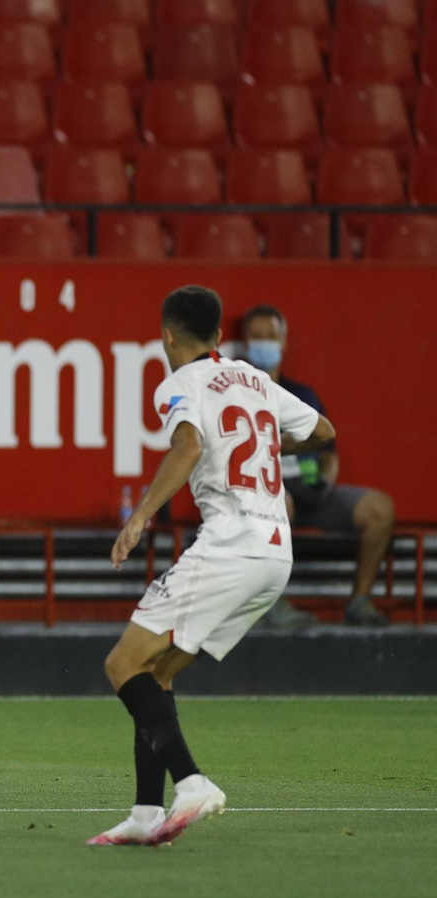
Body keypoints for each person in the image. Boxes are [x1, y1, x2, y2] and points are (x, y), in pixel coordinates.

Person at [91, 285, 337, 848]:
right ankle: (146, 814)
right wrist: (269, 446)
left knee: (122, 663)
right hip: (275, 553)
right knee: (158, 672)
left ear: (167, 335)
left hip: (230, 544)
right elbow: (324, 432)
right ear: (221, 335)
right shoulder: (254, 379)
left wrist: (139, 518)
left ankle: (193, 783)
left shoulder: (181, 382)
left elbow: (188, 447)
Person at [242, 305, 393, 627]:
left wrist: (324, 481)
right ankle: (272, 602)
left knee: (379, 509)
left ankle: (359, 601)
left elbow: (328, 452)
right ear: (245, 342)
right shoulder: (237, 397)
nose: (265, 342)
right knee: (279, 503)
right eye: (257, 336)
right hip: (266, 495)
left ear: (283, 342)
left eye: (271, 336)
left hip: (312, 492)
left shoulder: (303, 395)